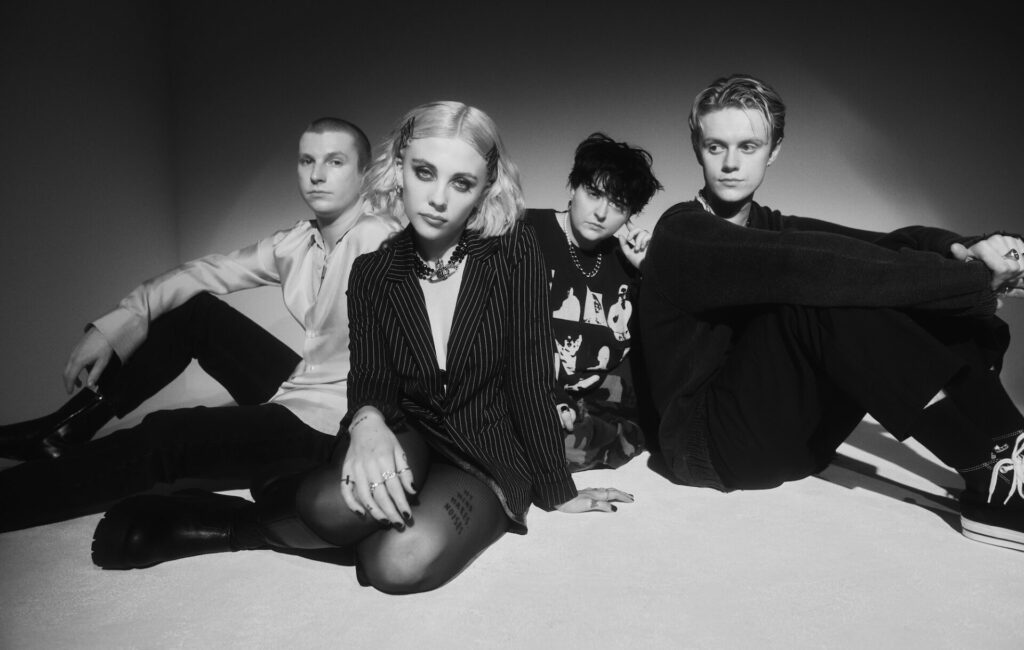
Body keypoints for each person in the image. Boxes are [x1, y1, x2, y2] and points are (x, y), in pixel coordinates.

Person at [87, 101, 632, 594]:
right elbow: (369, 373)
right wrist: (368, 422)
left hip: (486, 451)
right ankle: (234, 512)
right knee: (324, 506)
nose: (438, 199)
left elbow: (528, 379)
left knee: (393, 565)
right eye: (424, 173)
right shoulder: (374, 270)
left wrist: (556, 490)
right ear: (398, 168)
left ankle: (233, 526)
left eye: (462, 183)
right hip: (409, 428)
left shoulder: (513, 258)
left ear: (486, 190)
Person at [639, 74, 1024, 551]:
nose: (732, 163)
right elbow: (805, 266)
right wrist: (974, 284)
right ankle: (990, 478)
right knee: (823, 288)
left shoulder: (772, 228)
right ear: (697, 147)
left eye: (749, 146)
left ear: (774, 149)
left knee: (876, 275)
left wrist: (969, 249)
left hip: (797, 444)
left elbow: (885, 244)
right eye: (716, 146)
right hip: (706, 449)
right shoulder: (683, 234)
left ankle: (1012, 448)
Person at [0, 118, 401, 531]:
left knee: (166, 437)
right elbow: (204, 272)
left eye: (335, 161)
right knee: (194, 313)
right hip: (305, 386)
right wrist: (118, 323)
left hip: (342, 421)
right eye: (306, 161)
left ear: (364, 174)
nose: (316, 175)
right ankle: (65, 430)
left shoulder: (382, 239)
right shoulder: (296, 243)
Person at [524, 133, 662, 472]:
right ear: (573, 187)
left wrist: (651, 271)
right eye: (594, 193)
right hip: (526, 390)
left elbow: (661, 340)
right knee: (545, 440)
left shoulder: (625, 263)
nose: (601, 213)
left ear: (631, 214)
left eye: (617, 205)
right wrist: (544, 395)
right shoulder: (525, 232)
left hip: (594, 399)